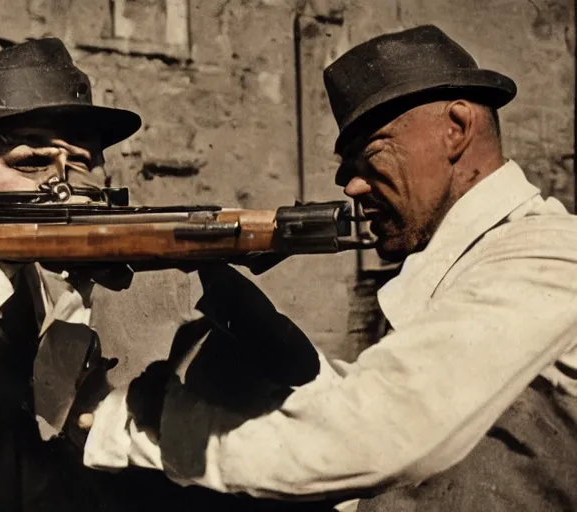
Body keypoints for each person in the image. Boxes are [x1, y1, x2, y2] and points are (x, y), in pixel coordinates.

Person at [78, 25, 577, 511]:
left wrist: (144, 429)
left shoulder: (548, 253)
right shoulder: (484, 263)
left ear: (457, 128)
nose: (352, 189)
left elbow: (378, 432)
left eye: (372, 154)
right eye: (346, 171)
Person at [0, 38, 315, 512]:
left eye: (80, 161)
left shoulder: (178, 277)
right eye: (30, 161)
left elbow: (301, 412)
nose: (59, 183)